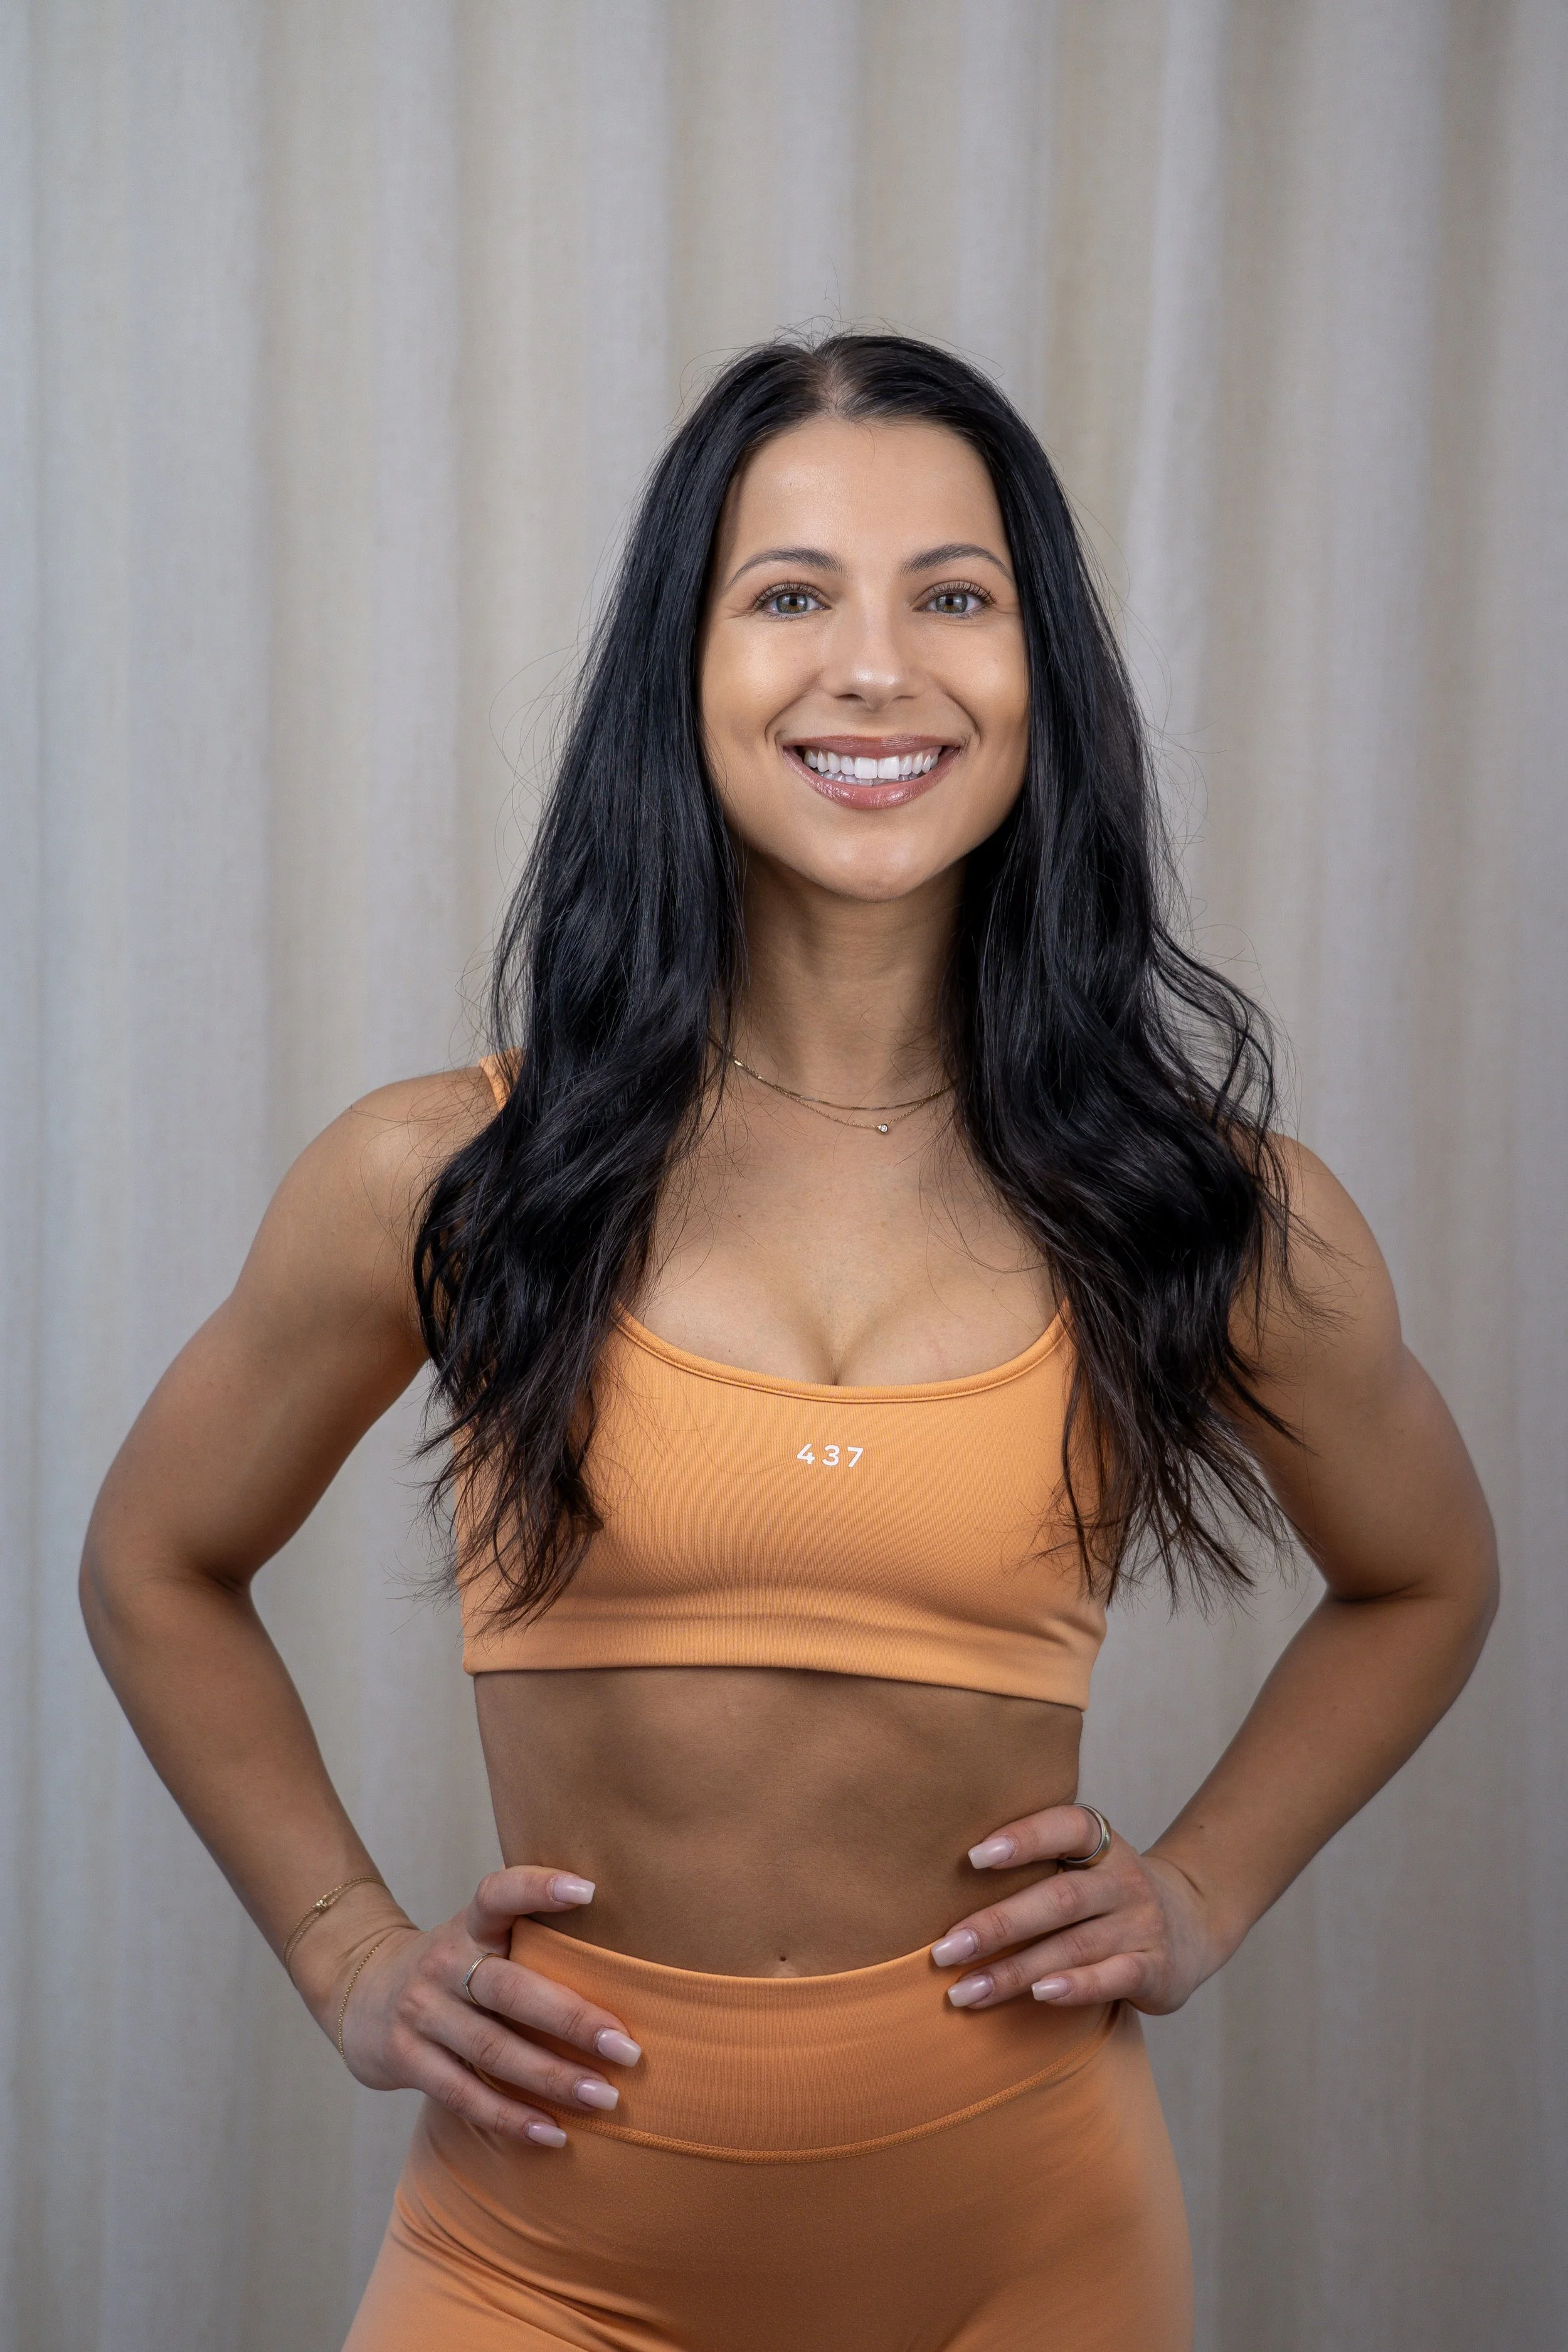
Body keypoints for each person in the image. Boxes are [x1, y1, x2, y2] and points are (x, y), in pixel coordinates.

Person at [81, 333, 1497, 2352]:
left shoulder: (1210, 1205)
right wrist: (341, 1945)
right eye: (789, 595)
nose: (873, 664)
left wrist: (1200, 1888)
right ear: (686, 667)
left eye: (952, 594)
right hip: (532, 2267)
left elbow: (1429, 1572)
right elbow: (152, 1555)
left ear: (1041, 679)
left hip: (1031, 2261)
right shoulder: (448, 1175)